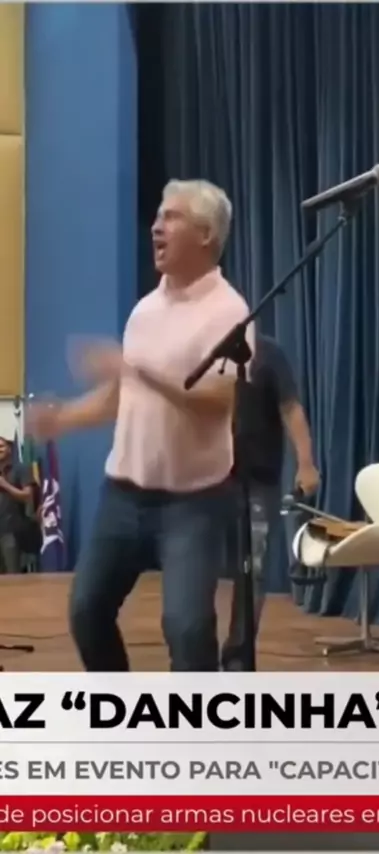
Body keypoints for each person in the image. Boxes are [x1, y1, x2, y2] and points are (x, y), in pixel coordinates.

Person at [27, 179, 255, 672]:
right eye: (157, 216)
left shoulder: (230, 313)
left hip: (193, 503)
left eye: (171, 217)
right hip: (123, 496)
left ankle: (193, 719)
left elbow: (218, 403)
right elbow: (121, 396)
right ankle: (125, 706)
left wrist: (142, 371)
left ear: (205, 234)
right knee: (87, 611)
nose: (156, 226)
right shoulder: (145, 310)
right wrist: (62, 418)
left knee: (188, 629)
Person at [221, 333, 320, 671]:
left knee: (255, 567)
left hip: (259, 478)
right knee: (197, 565)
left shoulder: (268, 353)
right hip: (208, 476)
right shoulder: (204, 355)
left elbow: (290, 408)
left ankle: (237, 657)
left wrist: (305, 463)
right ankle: (196, 655)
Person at [0, 437, 34, 574]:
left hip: (12, 533)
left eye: (1, 446)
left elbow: (28, 496)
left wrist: (5, 486)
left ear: (9, 448)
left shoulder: (21, 469)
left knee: (13, 577)